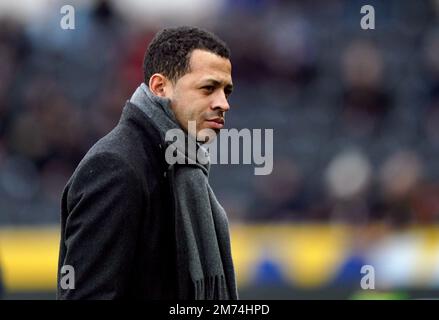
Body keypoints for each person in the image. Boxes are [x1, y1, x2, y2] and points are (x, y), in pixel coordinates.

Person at [57, 26, 238, 300]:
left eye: (227, 91)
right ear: (160, 87)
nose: (223, 103)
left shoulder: (183, 165)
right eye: (208, 88)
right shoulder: (116, 166)